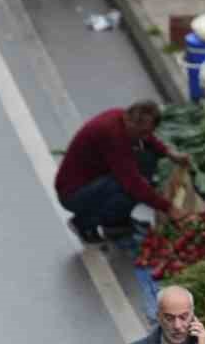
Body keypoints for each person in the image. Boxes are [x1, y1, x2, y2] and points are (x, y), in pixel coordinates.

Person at [56, 100, 195, 244]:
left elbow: (149, 140)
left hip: (94, 179)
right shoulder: (113, 135)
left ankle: (116, 222)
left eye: (148, 132)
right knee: (124, 185)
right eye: (142, 132)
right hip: (74, 193)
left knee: (146, 158)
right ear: (129, 121)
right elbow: (133, 182)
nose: (145, 137)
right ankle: (83, 223)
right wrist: (169, 208)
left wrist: (169, 153)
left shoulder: (121, 118)